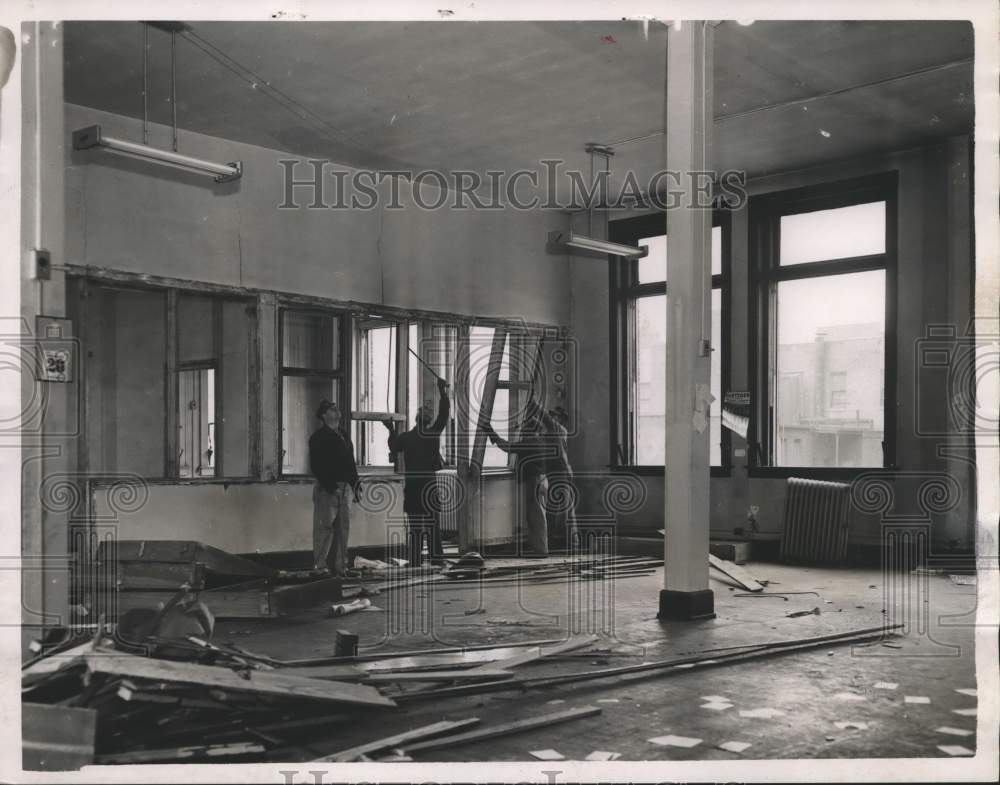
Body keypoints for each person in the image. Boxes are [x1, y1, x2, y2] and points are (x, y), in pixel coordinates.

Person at [383, 377, 450, 565]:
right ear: (427, 421)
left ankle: (414, 560)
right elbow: (444, 415)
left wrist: (390, 429)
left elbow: (394, 446)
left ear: (415, 419)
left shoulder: (407, 437)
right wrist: (442, 391)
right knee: (433, 525)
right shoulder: (433, 433)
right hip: (429, 484)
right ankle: (437, 559)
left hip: (413, 486)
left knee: (415, 526)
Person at [484, 402, 556, 555]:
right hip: (542, 481)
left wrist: (492, 433)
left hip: (535, 481)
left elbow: (507, 447)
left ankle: (541, 551)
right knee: (536, 516)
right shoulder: (540, 441)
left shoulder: (530, 443)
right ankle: (539, 548)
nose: (521, 432)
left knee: (536, 517)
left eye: (524, 430)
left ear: (529, 430)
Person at [309, 400, 362, 576]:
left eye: (337, 408)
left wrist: (356, 485)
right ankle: (321, 567)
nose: (337, 410)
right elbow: (316, 466)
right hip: (327, 489)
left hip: (345, 487)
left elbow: (350, 463)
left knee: (342, 528)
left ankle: (340, 567)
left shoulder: (344, 435)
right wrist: (331, 486)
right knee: (324, 528)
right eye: (332, 409)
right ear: (324, 415)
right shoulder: (318, 437)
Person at [540, 405, 578, 549]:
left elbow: (561, 454)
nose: (552, 418)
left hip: (560, 473)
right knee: (554, 509)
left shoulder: (558, 430)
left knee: (563, 509)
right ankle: (552, 541)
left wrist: (568, 470)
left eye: (555, 416)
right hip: (555, 472)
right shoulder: (553, 432)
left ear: (559, 419)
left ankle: (571, 543)